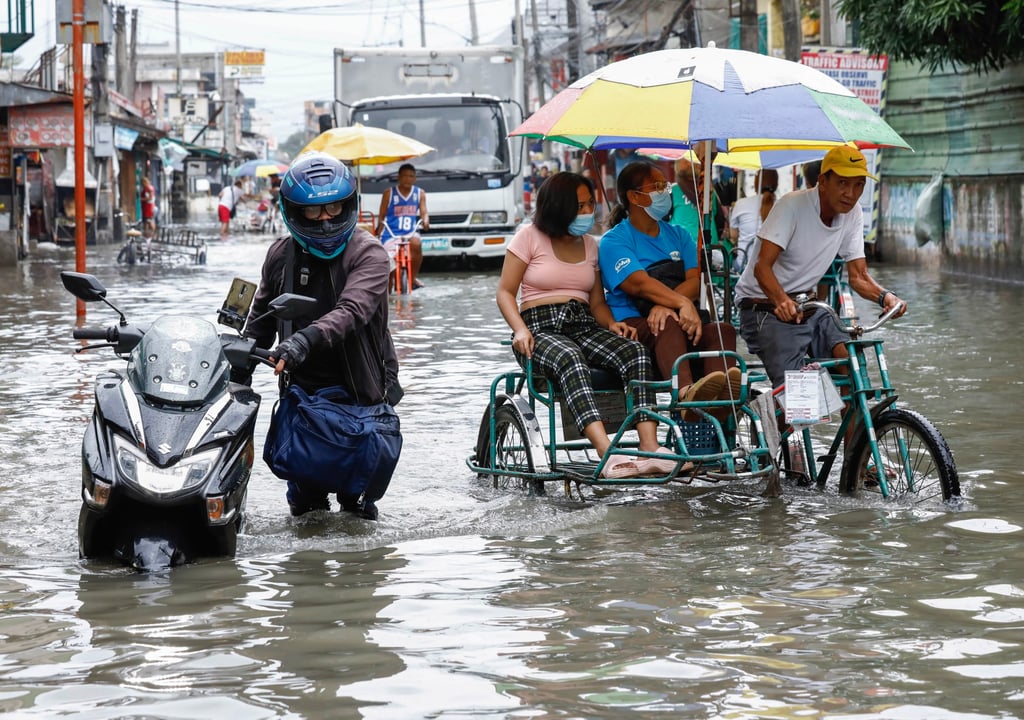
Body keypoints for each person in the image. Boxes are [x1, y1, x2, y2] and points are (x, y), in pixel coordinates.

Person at [245, 152, 401, 519]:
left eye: (334, 208)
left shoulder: (370, 254)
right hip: (303, 396)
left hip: (360, 392)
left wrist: (303, 341)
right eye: (315, 212)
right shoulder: (280, 255)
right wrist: (234, 364)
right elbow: (261, 318)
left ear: (348, 206)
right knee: (304, 507)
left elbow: (352, 311)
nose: (326, 220)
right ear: (295, 212)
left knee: (357, 508)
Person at [496, 171, 677, 479]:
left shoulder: (591, 245)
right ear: (559, 206)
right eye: (579, 206)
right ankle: (607, 453)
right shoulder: (528, 236)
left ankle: (650, 448)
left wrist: (611, 324)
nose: (587, 212)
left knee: (635, 352)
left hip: (583, 324)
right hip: (539, 328)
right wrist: (520, 329)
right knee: (570, 358)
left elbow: (596, 304)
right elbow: (504, 292)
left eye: (590, 204)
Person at [733, 146, 906, 389]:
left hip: (809, 307)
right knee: (797, 394)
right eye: (843, 183)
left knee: (853, 366)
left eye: (859, 185)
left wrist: (885, 297)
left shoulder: (853, 213)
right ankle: (775, 423)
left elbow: (859, 276)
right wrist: (781, 300)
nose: (851, 193)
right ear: (823, 181)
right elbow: (762, 267)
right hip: (762, 308)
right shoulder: (792, 206)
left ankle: (856, 427)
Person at [598, 160, 742, 421]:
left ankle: (724, 403)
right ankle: (685, 395)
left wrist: (670, 303)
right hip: (633, 323)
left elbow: (694, 282)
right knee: (667, 322)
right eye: (657, 186)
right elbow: (638, 283)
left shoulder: (679, 235)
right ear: (634, 196)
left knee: (723, 331)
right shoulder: (614, 240)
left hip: (677, 317)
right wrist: (681, 304)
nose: (665, 192)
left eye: (666, 185)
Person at [375, 163, 429, 290]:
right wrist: (378, 230)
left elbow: (424, 212)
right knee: (388, 263)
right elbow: (382, 215)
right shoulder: (389, 193)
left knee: (417, 243)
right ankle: (387, 293)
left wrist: (425, 221)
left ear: (415, 178)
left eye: (411, 176)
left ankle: (412, 278)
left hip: (410, 232)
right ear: (399, 177)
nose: (408, 179)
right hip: (391, 233)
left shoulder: (419, 193)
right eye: (405, 176)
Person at [728, 169, 778, 272]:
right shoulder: (782, 206)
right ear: (776, 184)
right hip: (773, 268)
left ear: (756, 183)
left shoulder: (740, 204)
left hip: (744, 266)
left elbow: (733, 236)